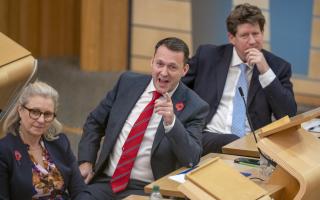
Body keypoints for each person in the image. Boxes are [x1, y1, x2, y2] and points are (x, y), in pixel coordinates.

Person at [77, 37, 209, 199]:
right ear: (152, 62)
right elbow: (94, 122)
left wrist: (172, 123)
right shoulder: (127, 83)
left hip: (148, 189)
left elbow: (191, 159)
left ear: (184, 70)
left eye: (172, 67)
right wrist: (86, 161)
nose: (164, 72)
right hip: (106, 181)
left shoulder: (195, 106)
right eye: (159, 64)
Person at [182, 3, 297, 154]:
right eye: (244, 35)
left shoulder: (277, 67)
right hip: (206, 136)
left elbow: (288, 114)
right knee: (230, 141)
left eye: (256, 34)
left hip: (251, 144)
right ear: (232, 38)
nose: (252, 41)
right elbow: (178, 86)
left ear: (262, 33)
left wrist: (265, 71)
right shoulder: (208, 56)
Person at [0, 81, 86, 200]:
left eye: (47, 114)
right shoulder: (4, 150)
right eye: (35, 112)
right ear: (20, 110)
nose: (41, 120)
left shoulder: (60, 142)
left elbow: (79, 189)